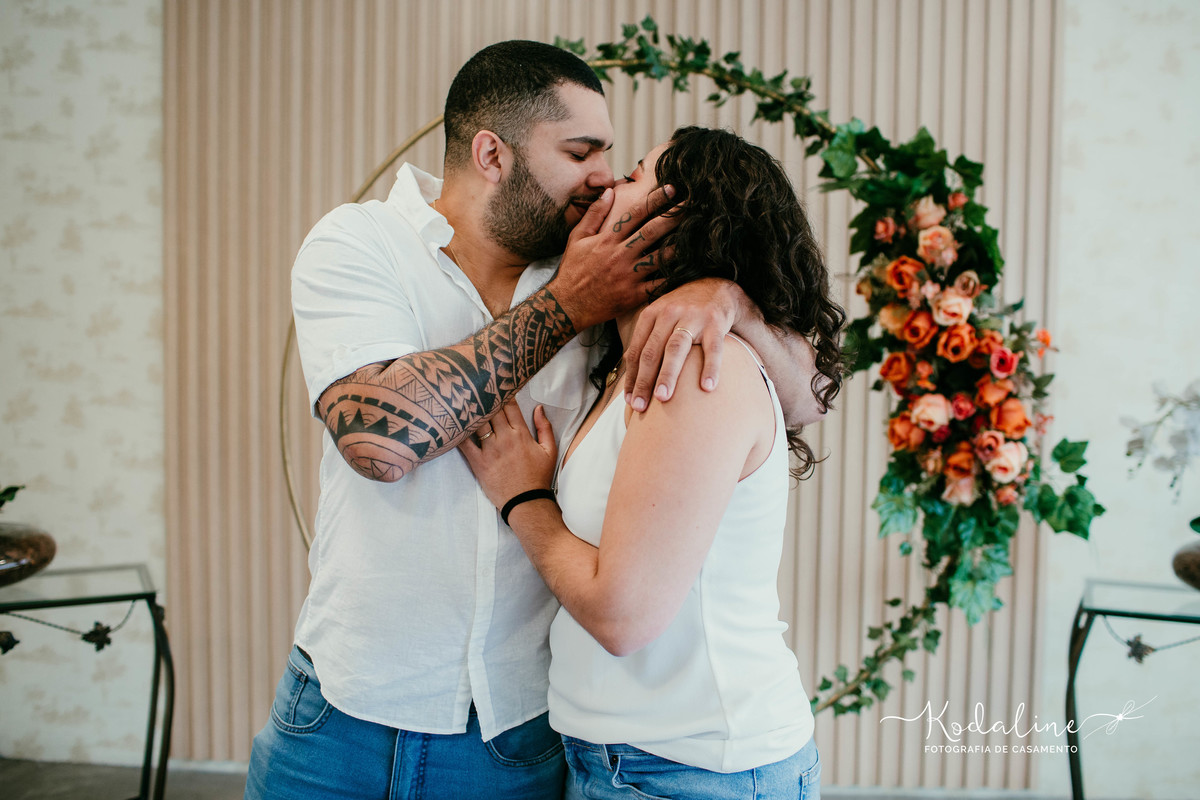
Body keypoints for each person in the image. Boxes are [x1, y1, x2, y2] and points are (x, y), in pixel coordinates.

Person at [245, 41, 828, 799]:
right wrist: (567, 306)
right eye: (580, 151)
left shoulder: (603, 272)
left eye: (612, 158)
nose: (601, 179)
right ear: (493, 154)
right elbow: (379, 441)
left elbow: (805, 396)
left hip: (521, 731)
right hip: (344, 712)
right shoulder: (362, 244)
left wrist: (731, 301)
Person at [458, 126, 844, 800]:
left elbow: (622, 617)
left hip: (690, 770)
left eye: (634, 173)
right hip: (624, 757)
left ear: (683, 223)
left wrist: (523, 497)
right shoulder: (630, 361)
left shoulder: (700, 368)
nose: (608, 181)